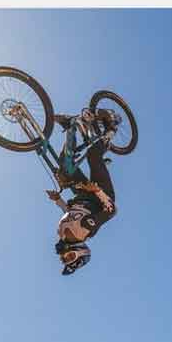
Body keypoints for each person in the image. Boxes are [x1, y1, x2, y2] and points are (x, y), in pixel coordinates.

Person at [45, 111, 119, 275]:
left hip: (81, 194)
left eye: (64, 259)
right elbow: (111, 210)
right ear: (82, 250)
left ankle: (70, 125)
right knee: (94, 156)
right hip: (100, 194)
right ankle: (111, 129)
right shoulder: (86, 228)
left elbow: (70, 214)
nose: (64, 254)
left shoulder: (62, 233)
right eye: (70, 256)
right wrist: (98, 191)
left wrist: (58, 200)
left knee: (65, 163)